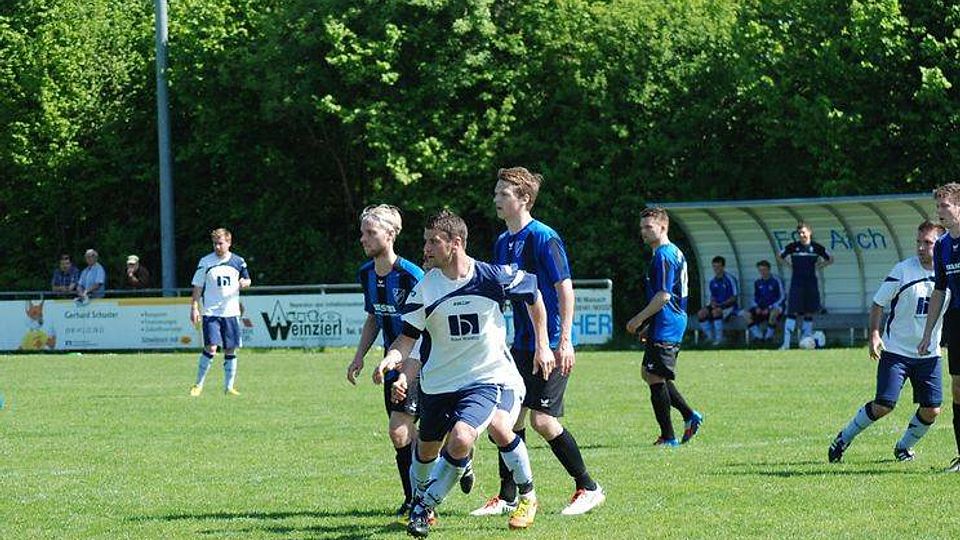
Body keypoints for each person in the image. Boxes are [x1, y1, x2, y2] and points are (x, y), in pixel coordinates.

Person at [374, 209, 553, 537]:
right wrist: (394, 365)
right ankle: (423, 499)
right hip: (438, 383)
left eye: (433, 242)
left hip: (484, 379)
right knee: (426, 450)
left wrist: (543, 343)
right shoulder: (425, 289)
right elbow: (408, 340)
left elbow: (534, 294)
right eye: (425, 241)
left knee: (464, 437)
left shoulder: (491, 277)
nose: (425, 248)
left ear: (455, 243)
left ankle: (428, 506)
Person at [471, 166, 604, 519]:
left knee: (542, 421)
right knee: (508, 421)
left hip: (549, 345)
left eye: (503, 194)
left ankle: (588, 488)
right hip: (520, 346)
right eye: (496, 192)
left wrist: (563, 342)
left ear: (524, 199)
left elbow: (565, 290)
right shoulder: (503, 242)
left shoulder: (545, 237)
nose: (496, 199)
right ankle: (508, 497)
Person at [829, 220, 946, 463]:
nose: (922, 248)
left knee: (932, 409)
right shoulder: (903, 270)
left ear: (942, 245)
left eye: (928, 243)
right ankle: (843, 438)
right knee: (884, 405)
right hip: (897, 352)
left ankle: (903, 447)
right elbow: (878, 303)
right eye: (918, 242)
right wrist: (874, 334)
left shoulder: (950, 274)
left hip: (930, 354)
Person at [345, 205, 425, 522]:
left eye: (370, 233)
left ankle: (416, 498)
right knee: (405, 433)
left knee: (398, 430)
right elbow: (374, 317)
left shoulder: (411, 275)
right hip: (389, 364)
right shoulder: (366, 273)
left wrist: (408, 367)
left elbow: (426, 324)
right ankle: (446, 465)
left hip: (418, 361)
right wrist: (359, 356)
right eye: (363, 232)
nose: (363, 238)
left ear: (390, 235)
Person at [626, 206, 703, 447]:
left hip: (669, 322)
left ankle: (668, 436)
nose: (644, 232)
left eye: (649, 227)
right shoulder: (668, 253)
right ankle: (689, 416)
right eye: (642, 228)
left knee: (654, 375)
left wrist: (638, 320)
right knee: (650, 374)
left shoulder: (664, 255)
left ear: (663, 227)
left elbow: (664, 296)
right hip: (666, 321)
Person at [919, 182, 960, 472]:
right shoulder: (943, 245)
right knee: (958, 389)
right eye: (938, 207)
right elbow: (939, 290)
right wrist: (928, 332)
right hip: (956, 320)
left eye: (944, 206)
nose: (940, 212)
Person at [188, 228, 251, 397]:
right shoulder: (206, 262)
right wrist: (194, 307)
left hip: (231, 312)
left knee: (230, 349)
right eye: (215, 243)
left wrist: (245, 283)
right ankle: (198, 385)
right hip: (211, 312)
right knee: (211, 347)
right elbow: (198, 287)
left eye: (220, 243)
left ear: (229, 243)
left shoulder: (238, 261)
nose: (217, 247)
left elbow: (247, 279)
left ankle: (229, 387)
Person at [776, 221, 833, 349]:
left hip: (811, 283)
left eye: (803, 232)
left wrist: (819, 265)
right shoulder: (793, 247)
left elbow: (830, 258)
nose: (802, 235)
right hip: (797, 283)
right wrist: (789, 265)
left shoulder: (816, 247)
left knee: (809, 312)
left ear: (809, 232)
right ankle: (786, 343)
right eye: (799, 233)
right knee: (792, 312)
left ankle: (806, 340)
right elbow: (779, 255)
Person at [695, 255, 739, 346]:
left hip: (729, 307)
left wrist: (721, 304)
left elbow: (734, 297)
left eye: (718, 266)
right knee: (701, 313)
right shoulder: (713, 281)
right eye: (714, 266)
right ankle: (711, 338)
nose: (716, 269)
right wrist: (713, 302)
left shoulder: (730, 279)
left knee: (716, 312)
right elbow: (713, 296)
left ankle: (720, 339)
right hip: (717, 305)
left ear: (723, 267)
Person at [742, 260, 785, 342]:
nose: (762, 272)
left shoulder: (776, 280)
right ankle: (759, 337)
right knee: (746, 314)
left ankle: (768, 337)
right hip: (761, 307)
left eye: (764, 269)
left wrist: (769, 307)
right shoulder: (757, 282)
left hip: (775, 306)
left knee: (773, 313)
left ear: (769, 269)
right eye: (760, 270)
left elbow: (782, 297)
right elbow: (754, 297)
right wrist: (757, 307)